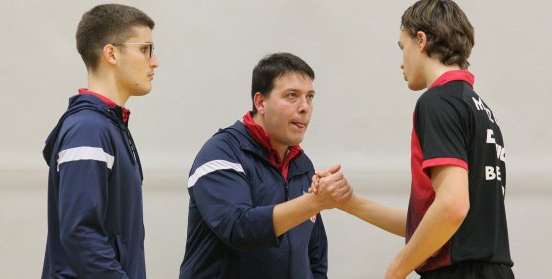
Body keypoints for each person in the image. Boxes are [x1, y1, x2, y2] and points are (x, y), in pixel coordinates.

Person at [312, 0, 514, 278]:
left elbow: (452, 206)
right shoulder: (479, 108)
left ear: (421, 40)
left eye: (401, 47)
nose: (401, 61)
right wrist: (350, 203)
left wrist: (396, 269)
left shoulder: (437, 101)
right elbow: (435, 223)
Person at [179, 52, 352, 279]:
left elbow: (315, 252)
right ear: (260, 102)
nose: (305, 107)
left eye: (310, 97)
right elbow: (239, 228)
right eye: (292, 95)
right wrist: (314, 202)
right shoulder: (220, 153)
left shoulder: (302, 163)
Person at [41, 4, 159, 278]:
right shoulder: (89, 129)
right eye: (145, 49)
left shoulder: (107, 125)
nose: (155, 61)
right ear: (111, 53)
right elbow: (81, 235)